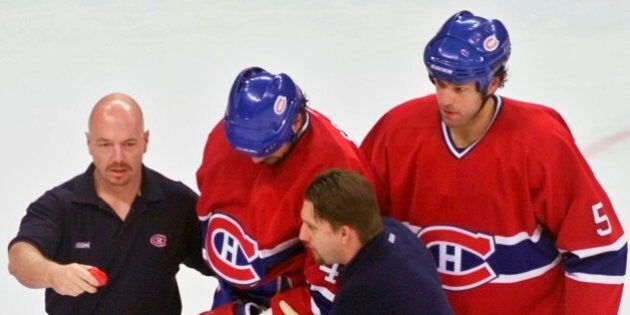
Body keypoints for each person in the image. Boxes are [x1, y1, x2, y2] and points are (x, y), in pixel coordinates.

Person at [360, 10, 627, 314]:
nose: (445, 99)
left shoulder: (540, 143)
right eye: (439, 83)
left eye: (459, 88)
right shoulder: (396, 132)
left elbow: (600, 252)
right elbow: (348, 226)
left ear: (492, 83)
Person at [196, 67, 380, 315]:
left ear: (296, 122)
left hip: (293, 302)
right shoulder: (232, 135)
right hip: (236, 292)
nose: (255, 160)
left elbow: (330, 289)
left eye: (266, 148)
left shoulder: (337, 169)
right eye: (246, 149)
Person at [8, 93, 211, 314]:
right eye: (105, 144)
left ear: (145, 141)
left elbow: (228, 262)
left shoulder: (177, 203)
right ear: (89, 143)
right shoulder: (59, 205)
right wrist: (53, 274)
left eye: (128, 144)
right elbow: (20, 258)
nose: (118, 158)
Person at [296, 169, 453, 314]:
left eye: (312, 227)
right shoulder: (397, 231)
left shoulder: (359, 296)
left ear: (344, 234)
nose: (302, 235)